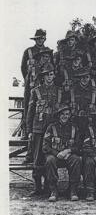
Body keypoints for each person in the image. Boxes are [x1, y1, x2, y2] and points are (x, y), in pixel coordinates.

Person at [26, 63, 60, 191]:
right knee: (37, 157)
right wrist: (29, 130)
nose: (49, 77)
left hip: (52, 129)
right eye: (47, 75)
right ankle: (37, 185)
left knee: (49, 157)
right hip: (38, 129)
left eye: (51, 74)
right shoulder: (35, 91)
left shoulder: (58, 91)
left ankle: (48, 184)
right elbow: (29, 113)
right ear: (43, 76)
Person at [42, 104, 82, 202]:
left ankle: (73, 190)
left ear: (70, 116)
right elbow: (45, 146)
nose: (65, 116)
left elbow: (79, 146)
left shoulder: (74, 128)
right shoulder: (51, 127)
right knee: (49, 160)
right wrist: (56, 154)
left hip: (69, 155)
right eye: (62, 114)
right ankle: (53, 190)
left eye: (67, 114)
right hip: (55, 156)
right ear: (59, 115)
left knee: (76, 160)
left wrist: (68, 151)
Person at [21, 29, 52, 137]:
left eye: (42, 38)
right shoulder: (28, 51)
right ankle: (26, 131)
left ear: (45, 39)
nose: (40, 40)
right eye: (38, 38)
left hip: (44, 84)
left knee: (43, 106)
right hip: (31, 84)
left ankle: (42, 130)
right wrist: (29, 79)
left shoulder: (48, 51)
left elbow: (51, 68)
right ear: (35, 39)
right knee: (28, 106)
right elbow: (23, 68)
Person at [70, 67, 96, 138]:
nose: (84, 79)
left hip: (88, 118)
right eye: (82, 77)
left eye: (87, 77)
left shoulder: (93, 90)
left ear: (90, 78)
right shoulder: (73, 89)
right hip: (75, 118)